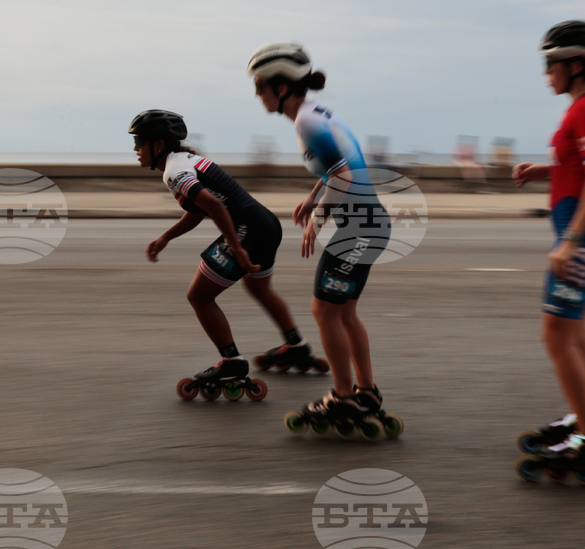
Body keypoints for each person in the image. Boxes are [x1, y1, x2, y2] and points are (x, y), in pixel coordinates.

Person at [247, 42, 402, 440]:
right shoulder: (316, 114)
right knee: (344, 313)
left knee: (324, 312)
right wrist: (314, 195)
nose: (257, 94)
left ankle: (344, 395)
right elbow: (339, 168)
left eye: (260, 85)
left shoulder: (305, 122)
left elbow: (345, 177)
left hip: (358, 228)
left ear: (281, 88)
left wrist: (318, 219)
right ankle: (366, 392)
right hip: (368, 222)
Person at [129, 109, 324, 402]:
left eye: (139, 142)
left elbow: (216, 208)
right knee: (259, 287)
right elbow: (198, 210)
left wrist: (238, 248)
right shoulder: (187, 160)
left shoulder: (174, 170)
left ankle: (232, 362)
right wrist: (165, 237)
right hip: (266, 224)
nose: (135, 148)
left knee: (199, 296)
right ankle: (296, 345)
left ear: (158, 145)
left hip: (249, 231)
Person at [512, 21, 585, 483]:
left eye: (550, 65)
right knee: (573, 330)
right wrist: (543, 170)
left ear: (574, 64)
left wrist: (571, 241)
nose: (546, 75)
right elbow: (579, 168)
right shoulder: (583, 108)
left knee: (555, 335)